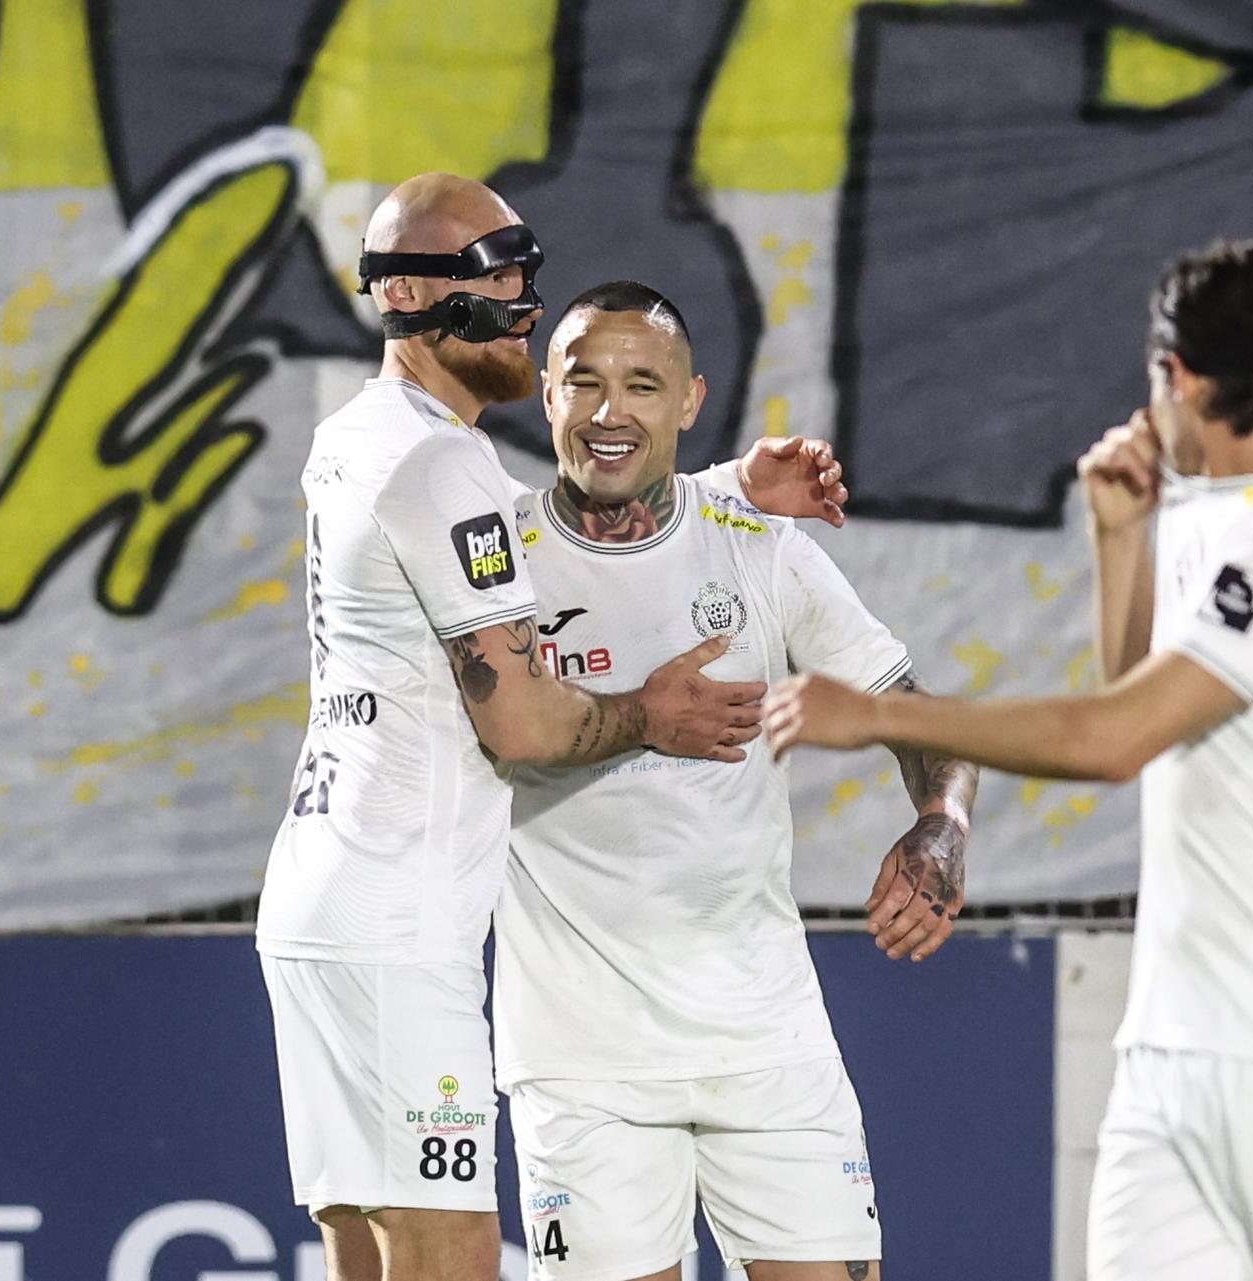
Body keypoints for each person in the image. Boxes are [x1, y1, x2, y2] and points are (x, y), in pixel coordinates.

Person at [765, 241, 1253, 1281]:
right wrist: (1119, 536)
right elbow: (1141, 698)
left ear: (1177, 375)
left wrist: (875, 716)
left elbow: (1115, 739)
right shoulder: (1225, 519)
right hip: (1175, 1050)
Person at [255, 174, 854, 1281]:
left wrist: (718, 484)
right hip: (399, 919)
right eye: (506, 279)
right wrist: (650, 713)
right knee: (450, 1259)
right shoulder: (444, 462)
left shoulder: (354, 434)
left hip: (321, 902)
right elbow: (524, 725)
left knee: (365, 1258)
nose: (527, 309)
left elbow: (526, 536)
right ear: (436, 300)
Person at [494, 281, 980, 1281]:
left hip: (766, 1040)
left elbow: (923, 717)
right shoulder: (495, 566)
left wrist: (941, 824)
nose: (609, 411)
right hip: (585, 1058)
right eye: (582, 383)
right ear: (547, 398)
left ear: (689, 401)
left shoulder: (757, 543)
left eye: (642, 384)